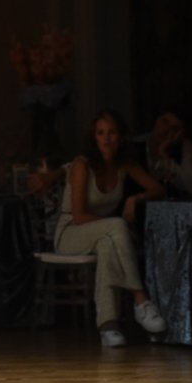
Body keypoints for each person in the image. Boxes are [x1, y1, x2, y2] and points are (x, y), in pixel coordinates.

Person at [53, 109, 166, 347]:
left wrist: (134, 198)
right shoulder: (82, 165)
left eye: (111, 133)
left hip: (103, 233)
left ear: (121, 137)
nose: (106, 138)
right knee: (116, 227)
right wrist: (115, 226)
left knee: (107, 245)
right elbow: (79, 216)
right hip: (71, 232)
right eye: (100, 133)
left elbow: (157, 189)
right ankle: (140, 300)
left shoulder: (124, 165)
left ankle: (108, 326)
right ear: (93, 137)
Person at [130, 107, 192, 197]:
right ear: (157, 120)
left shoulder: (183, 147)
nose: (166, 130)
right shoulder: (135, 145)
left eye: (174, 128)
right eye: (164, 122)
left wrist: (165, 158)